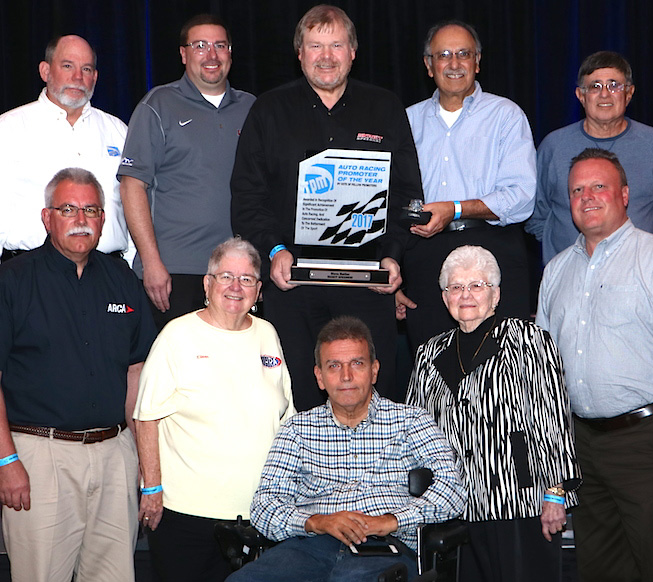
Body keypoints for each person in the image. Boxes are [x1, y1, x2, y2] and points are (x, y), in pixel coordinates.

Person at [230, 4, 423, 410]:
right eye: (315, 46)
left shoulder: (385, 107)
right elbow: (247, 197)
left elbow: (408, 195)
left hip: (368, 283)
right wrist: (274, 250)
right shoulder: (268, 110)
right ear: (299, 52)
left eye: (336, 45)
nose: (326, 56)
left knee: (372, 400)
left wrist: (392, 255)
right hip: (293, 284)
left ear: (353, 51)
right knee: (297, 397)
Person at [536, 148, 653, 582]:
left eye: (599, 186)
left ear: (625, 195)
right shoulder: (555, 272)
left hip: (647, 442)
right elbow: (543, 375)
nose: (587, 197)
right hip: (581, 445)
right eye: (576, 190)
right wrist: (555, 466)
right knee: (600, 568)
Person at [0, 168, 157, 582]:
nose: (81, 219)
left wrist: (143, 463)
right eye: (68, 209)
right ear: (47, 217)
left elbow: (136, 373)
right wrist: (6, 460)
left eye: (91, 210)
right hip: (39, 457)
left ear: (104, 219)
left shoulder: (123, 280)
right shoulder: (12, 281)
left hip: (115, 456)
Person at [225, 316, 466, 582]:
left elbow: (453, 489)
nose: (346, 376)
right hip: (309, 546)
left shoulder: (411, 421)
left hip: (384, 548)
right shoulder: (297, 429)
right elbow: (264, 506)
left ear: (374, 370)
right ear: (320, 377)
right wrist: (317, 522)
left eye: (357, 363)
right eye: (334, 366)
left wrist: (391, 520)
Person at [406, 245, 580, 582]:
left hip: (520, 500)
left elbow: (556, 420)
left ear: (495, 294)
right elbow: (414, 427)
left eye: (477, 285)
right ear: (444, 297)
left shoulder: (529, 340)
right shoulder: (429, 353)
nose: (465, 295)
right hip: (455, 505)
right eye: (456, 287)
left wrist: (555, 494)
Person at [134, 236, 295, 582]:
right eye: (226, 277)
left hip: (259, 514)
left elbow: (287, 417)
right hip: (185, 515)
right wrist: (151, 488)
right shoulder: (176, 336)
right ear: (207, 284)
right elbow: (146, 417)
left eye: (247, 278)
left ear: (259, 290)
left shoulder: (268, 334)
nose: (236, 287)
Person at [397, 21, 536, 352]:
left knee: (503, 368)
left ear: (477, 61)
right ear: (428, 65)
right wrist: (394, 272)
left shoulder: (506, 116)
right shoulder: (405, 121)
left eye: (464, 54)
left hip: (494, 249)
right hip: (424, 258)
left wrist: (455, 209)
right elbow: (390, 201)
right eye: (444, 55)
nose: (454, 63)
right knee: (433, 368)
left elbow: (521, 198)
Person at [118, 14, 255, 329]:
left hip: (235, 273)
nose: (211, 55)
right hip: (174, 272)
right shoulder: (157, 105)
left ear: (230, 52)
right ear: (183, 54)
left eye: (220, 45)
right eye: (200, 46)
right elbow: (132, 186)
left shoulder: (252, 108)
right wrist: (151, 262)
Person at [526, 51, 653, 265]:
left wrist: (648, 260)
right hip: (571, 273)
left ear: (629, 93)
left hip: (640, 273)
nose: (604, 94)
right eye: (595, 86)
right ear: (581, 95)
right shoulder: (553, 146)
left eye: (614, 85)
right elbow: (536, 216)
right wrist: (565, 258)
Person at [0, 35, 132, 264]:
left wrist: (133, 268)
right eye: (68, 66)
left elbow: (133, 206)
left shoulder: (118, 131)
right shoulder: (9, 129)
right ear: (45, 71)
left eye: (86, 69)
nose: (78, 77)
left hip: (109, 270)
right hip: (30, 271)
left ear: (95, 77)